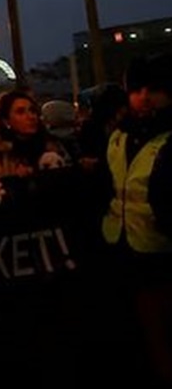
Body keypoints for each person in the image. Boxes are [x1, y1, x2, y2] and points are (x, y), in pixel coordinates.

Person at [98, 53, 172, 383]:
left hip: (160, 251)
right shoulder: (118, 137)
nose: (144, 97)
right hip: (121, 246)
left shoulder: (168, 139)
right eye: (137, 89)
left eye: (152, 89)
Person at [0, 88, 70, 179]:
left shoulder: (52, 145)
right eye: (20, 112)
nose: (31, 117)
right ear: (6, 121)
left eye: (32, 111)